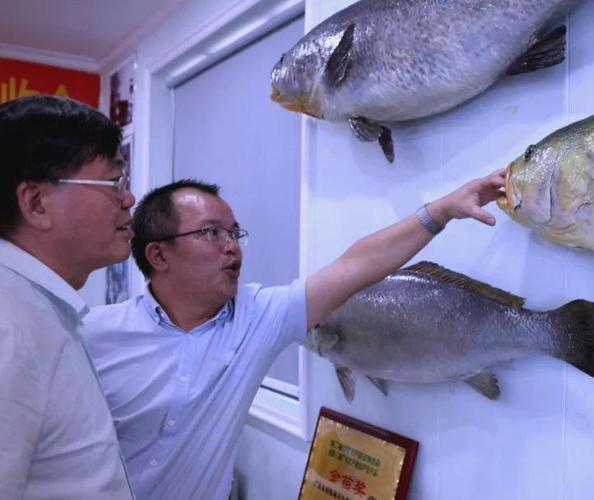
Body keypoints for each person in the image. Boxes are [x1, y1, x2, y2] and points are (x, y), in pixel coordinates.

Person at [82, 171, 505, 500]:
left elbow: (357, 266)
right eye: (212, 232)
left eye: (234, 233)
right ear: (158, 254)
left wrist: (443, 210)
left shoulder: (257, 316)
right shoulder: (90, 336)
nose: (233, 247)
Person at [0, 95, 135, 499]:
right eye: (114, 182)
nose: (129, 198)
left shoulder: (41, 311)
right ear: (36, 203)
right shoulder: (10, 330)